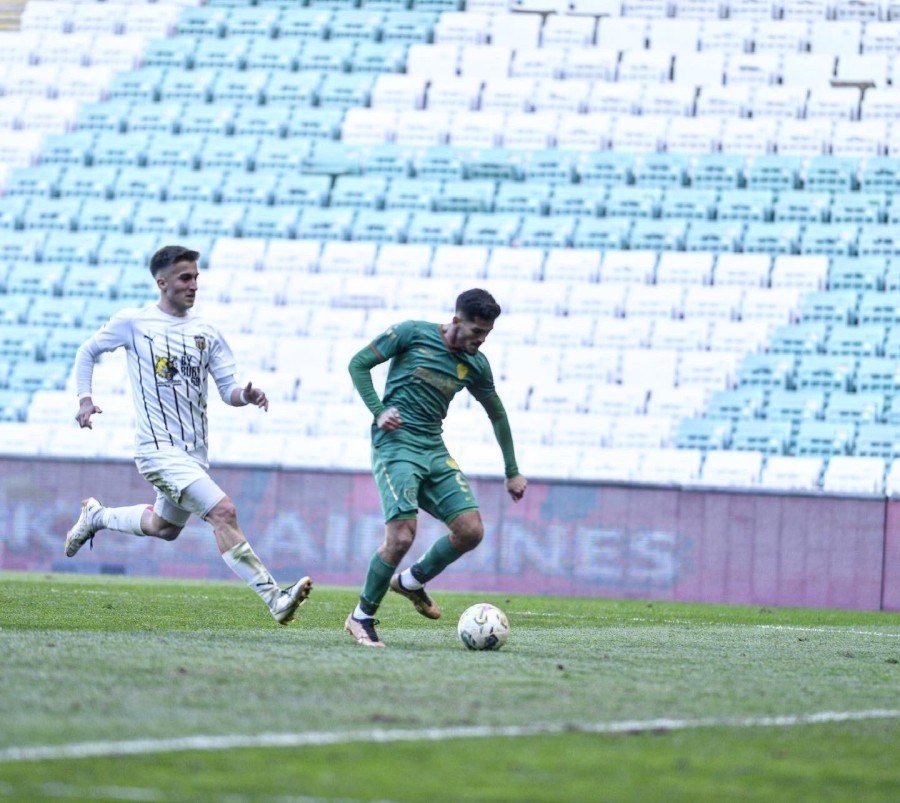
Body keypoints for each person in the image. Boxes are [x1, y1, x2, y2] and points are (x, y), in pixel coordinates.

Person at [65, 245, 312, 625]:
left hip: (193, 453)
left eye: (196, 277)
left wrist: (245, 396)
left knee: (164, 528)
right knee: (223, 512)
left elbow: (228, 389)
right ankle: (274, 598)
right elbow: (87, 351)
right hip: (156, 450)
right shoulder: (135, 323)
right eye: (185, 278)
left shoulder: (205, 332)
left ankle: (97, 516)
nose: (193, 285)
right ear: (162, 282)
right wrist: (85, 399)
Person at [344, 288, 528, 647]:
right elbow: (358, 364)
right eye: (477, 331)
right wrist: (379, 410)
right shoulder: (411, 333)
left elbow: (497, 414)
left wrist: (512, 470)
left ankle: (411, 582)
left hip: (433, 447)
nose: (482, 339)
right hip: (395, 445)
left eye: (487, 333)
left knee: (471, 531)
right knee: (401, 536)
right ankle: (360, 617)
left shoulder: (476, 364)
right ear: (456, 321)